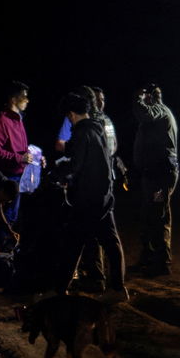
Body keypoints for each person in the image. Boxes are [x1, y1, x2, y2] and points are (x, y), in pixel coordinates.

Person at [53, 91, 128, 302]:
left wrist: (60, 175)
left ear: (71, 114)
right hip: (104, 195)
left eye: (68, 116)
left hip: (87, 198)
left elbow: (76, 166)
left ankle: (59, 290)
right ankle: (118, 288)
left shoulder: (81, 132)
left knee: (73, 243)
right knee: (111, 243)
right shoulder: (99, 128)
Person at [131, 83, 179, 275]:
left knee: (159, 215)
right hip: (154, 174)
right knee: (149, 215)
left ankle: (162, 263)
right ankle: (149, 257)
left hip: (160, 177)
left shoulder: (159, 110)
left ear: (151, 97)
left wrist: (137, 97)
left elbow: (144, 113)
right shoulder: (157, 114)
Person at [0, 81, 33, 224]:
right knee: (4, 219)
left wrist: (35, 158)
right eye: (24, 97)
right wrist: (19, 158)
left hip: (18, 177)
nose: (27, 100)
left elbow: (21, 148)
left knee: (13, 217)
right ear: (13, 99)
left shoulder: (19, 120)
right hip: (6, 178)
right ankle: (0, 245)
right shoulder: (2, 120)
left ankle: (7, 244)